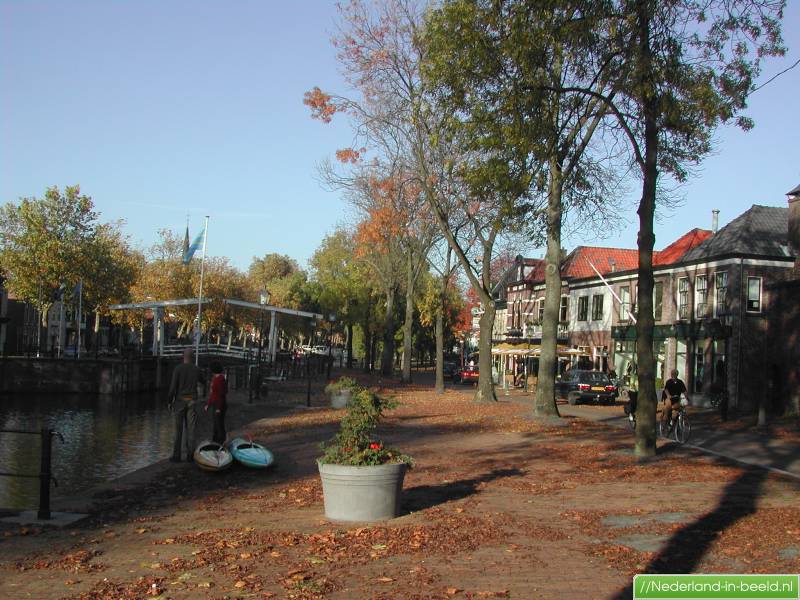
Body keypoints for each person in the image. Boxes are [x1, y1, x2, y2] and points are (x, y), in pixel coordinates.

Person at [167, 348, 205, 462]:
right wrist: (203, 394)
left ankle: (176, 456)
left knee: (178, 430)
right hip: (192, 401)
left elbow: (173, 387)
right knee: (191, 429)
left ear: (183, 356)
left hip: (179, 402)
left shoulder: (178, 369)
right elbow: (203, 381)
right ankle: (190, 455)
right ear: (192, 357)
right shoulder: (196, 369)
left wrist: (169, 401)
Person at [205, 362, 228, 445]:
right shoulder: (215, 378)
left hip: (220, 404)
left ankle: (221, 441)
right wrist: (208, 404)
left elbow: (221, 395)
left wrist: (218, 407)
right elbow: (213, 393)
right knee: (215, 423)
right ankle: (215, 440)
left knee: (219, 424)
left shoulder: (220, 379)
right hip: (215, 403)